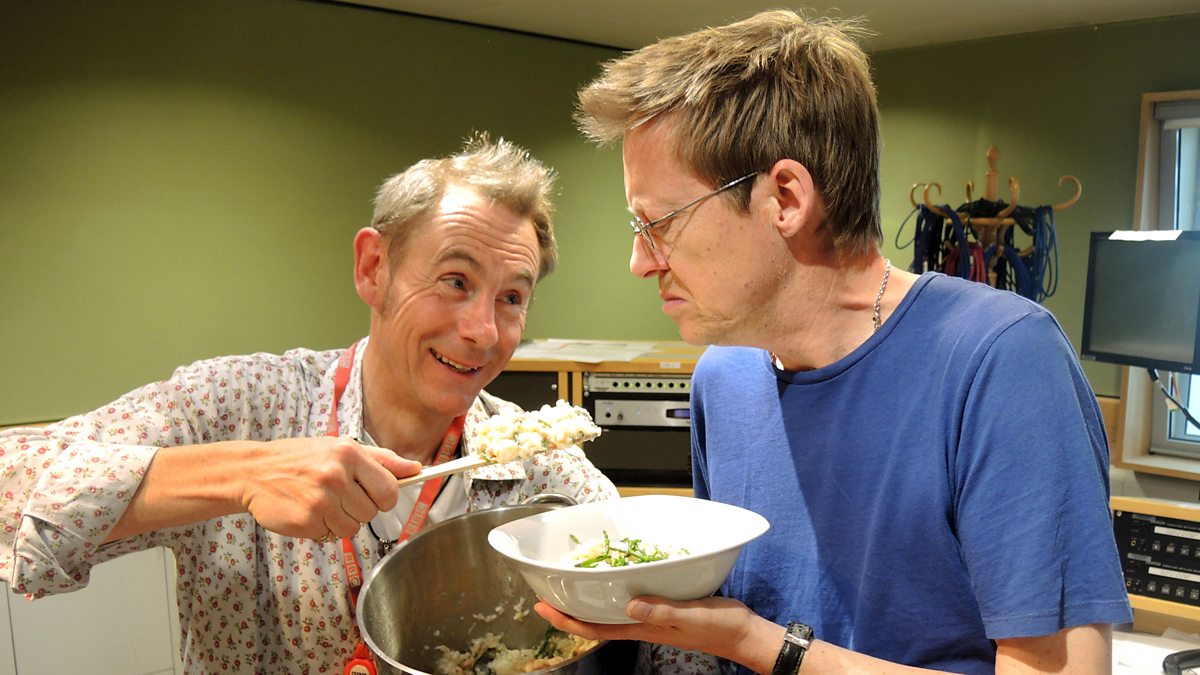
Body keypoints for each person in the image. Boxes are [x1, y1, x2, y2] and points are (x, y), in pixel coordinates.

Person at [535, 10, 1131, 675]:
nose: (640, 263)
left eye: (660, 223)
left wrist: (761, 645)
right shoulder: (721, 379)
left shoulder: (1003, 362)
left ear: (786, 198)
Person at [0, 135, 619, 673]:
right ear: (373, 268)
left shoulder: (543, 472)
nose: (483, 330)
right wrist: (243, 474)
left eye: (511, 298)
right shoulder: (240, 406)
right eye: (455, 281)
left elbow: (645, 620)